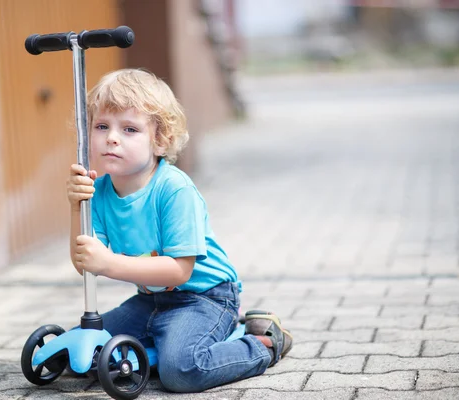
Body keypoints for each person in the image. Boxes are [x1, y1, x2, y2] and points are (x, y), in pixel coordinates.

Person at [66, 68, 293, 393]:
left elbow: (179, 270)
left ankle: (262, 344)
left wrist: (109, 263)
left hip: (205, 298)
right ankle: (156, 349)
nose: (112, 137)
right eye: (102, 126)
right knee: (86, 353)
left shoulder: (173, 189)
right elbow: (85, 262)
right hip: (151, 300)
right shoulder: (98, 192)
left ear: (159, 140)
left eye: (129, 129)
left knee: (182, 370)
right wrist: (77, 207)